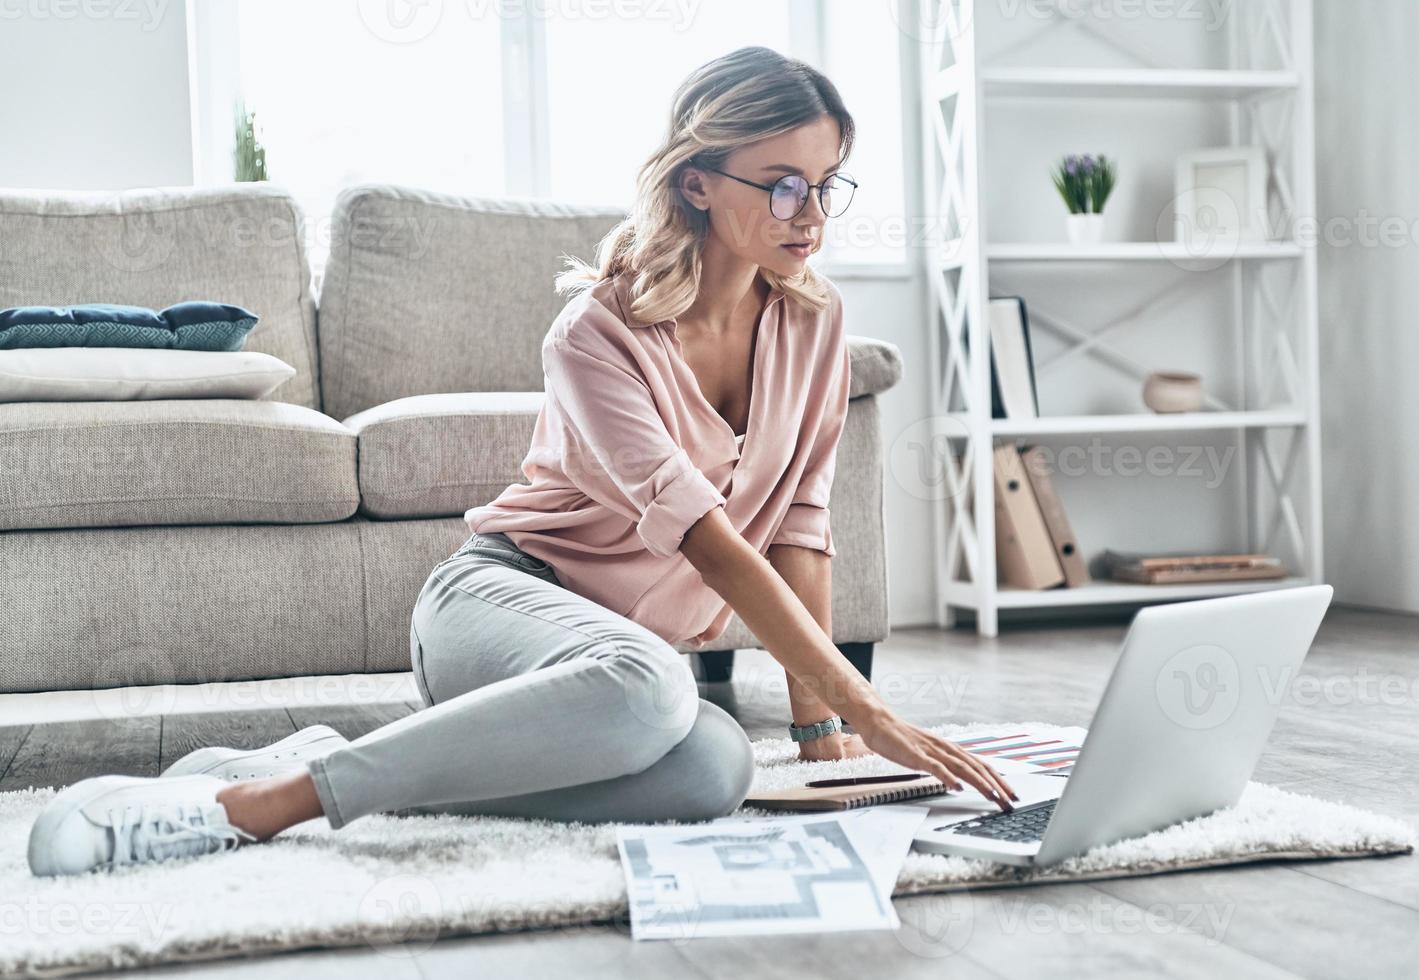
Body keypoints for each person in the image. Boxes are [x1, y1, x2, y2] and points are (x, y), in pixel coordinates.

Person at [27, 46, 1015, 878]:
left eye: (828, 182)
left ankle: (349, 759)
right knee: (656, 685)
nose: (812, 213)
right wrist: (867, 700)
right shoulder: (596, 333)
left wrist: (821, 740)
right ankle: (258, 803)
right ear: (699, 180)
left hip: (617, 676)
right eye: (784, 183)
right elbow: (708, 543)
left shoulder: (816, 324)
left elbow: (800, 522)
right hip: (494, 613)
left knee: (711, 772)